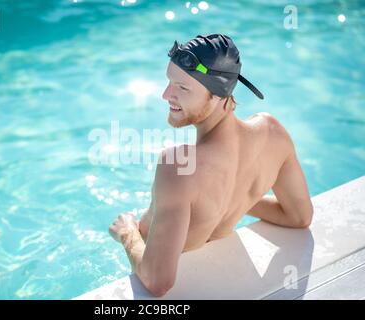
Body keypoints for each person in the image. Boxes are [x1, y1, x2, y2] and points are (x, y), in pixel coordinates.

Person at [109, 34, 313, 297]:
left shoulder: (178, 166)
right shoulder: (273, 134)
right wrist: (239, 197)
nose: (165, 95)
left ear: (218, 95)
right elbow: (299, 217)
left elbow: (158, 281)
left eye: (182, 88)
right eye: (169, 82)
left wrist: (127, 235)